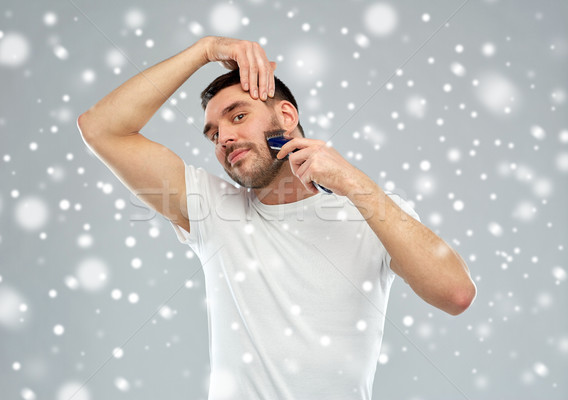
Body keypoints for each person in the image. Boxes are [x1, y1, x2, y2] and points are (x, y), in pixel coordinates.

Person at [77, 36, 476, 400]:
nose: (224, 139)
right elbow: (101, 129)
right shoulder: (213, 210)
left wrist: (352, 182)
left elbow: (456, 294)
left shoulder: (371, 211)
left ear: (286, 116)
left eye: (236, 117)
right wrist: (205, 50)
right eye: (213, 135)